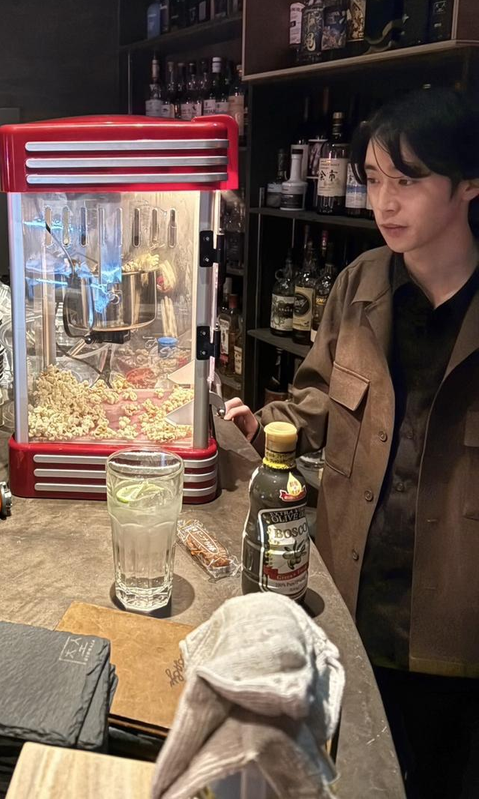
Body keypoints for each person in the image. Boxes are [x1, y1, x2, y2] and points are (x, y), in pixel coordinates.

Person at [224, 88, 479, 799]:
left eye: (408, 180)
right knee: (339, 771)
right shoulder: (360, 282)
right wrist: (265, 427)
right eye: (373, 178)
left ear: (468, 182)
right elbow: (317, 396)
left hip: (452, 624)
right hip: (349, 587)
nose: (384, 202)